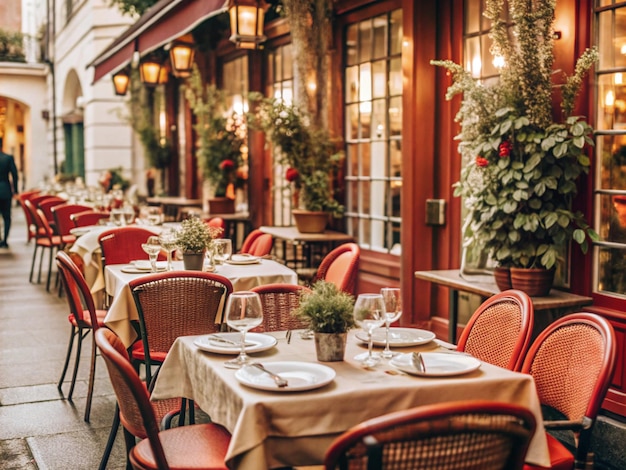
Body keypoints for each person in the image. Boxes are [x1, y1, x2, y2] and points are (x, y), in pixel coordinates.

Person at [0, 145, 18, 248]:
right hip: (5, 190)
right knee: (7, 217)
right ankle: (5, 240)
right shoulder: (8, 158)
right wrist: (15, 191)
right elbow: (14, 175)